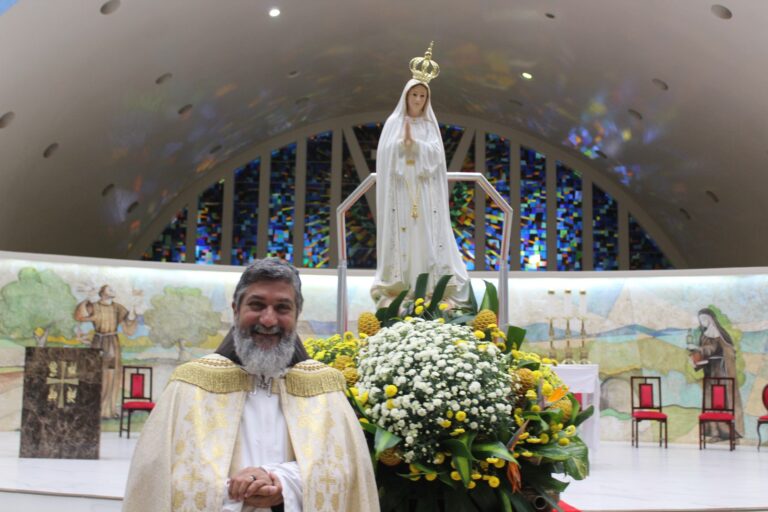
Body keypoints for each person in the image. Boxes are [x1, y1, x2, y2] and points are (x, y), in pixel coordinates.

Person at [123, 258, 379, 512]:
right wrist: (236, 490)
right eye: (257, 305)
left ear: (297, 314)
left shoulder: (324, 390)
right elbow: (156, 482)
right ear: (236, 309)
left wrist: (283, 482)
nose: (268, 320)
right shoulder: (189, 387)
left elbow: (347, 476)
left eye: (282, 308)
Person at [370, 43, 469, 309]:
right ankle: (401, 288)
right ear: (406, 96)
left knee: (424, 235)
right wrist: (401, 146)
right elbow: (386, 155)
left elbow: (437, 156)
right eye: (414, 95)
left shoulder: (428, 126)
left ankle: (429, 288)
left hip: (424, 193)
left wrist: (417, 146)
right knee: (404, 236)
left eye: (422, 96)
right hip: (401, 191)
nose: (418, 100)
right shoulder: (393, 124)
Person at [74, 284, 137, 418]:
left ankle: (109, 410)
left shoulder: (117, 308)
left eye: (113, 289)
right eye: (110, 289)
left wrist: (131, 315)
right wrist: (87, 299)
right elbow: (80, 316)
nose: (113, 291)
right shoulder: (94, 306)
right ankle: (94, 408)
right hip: (98, 342)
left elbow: (128, 325)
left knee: (112, 374)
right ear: (102, 293)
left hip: (112, 343)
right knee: (95, 374)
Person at [688, 308, 744, 439]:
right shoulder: (704, 335)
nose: (702, 322)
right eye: (701, 320)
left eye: (704, 319)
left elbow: (716, 349)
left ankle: (726, 431)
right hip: (710, 371)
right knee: (710, 399)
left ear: (711, 319)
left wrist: (698, 349)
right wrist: (695, 359)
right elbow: (705, 352)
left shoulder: (719, 334)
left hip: (721, 371)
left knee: (721, 399)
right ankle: (713, 431)